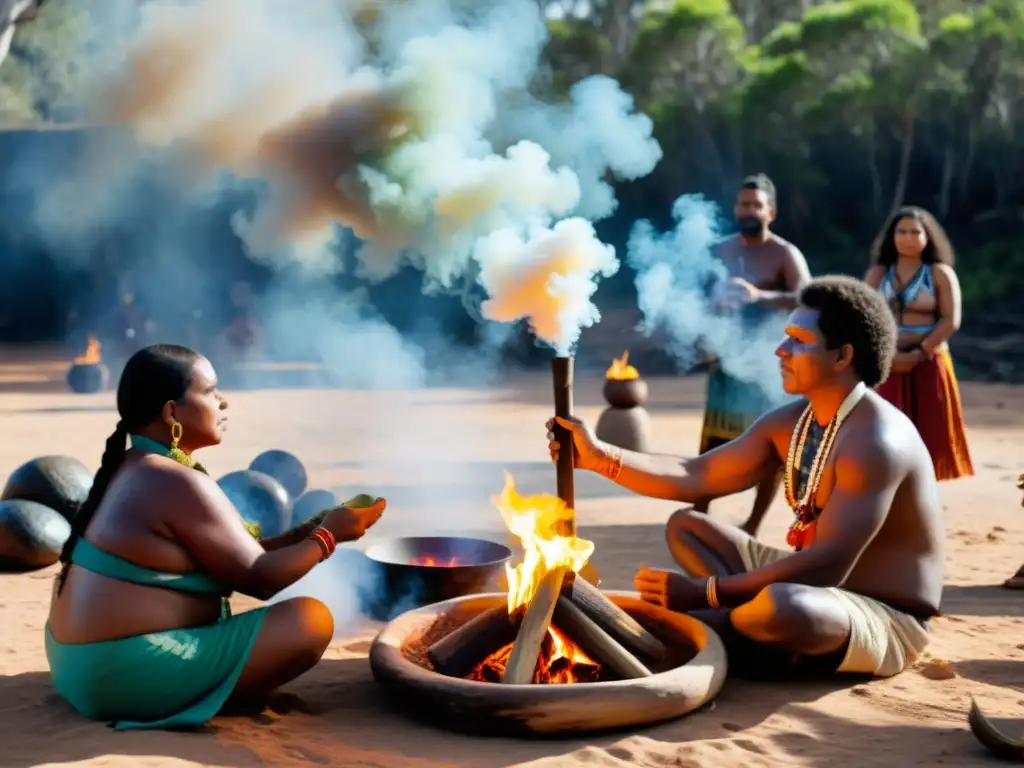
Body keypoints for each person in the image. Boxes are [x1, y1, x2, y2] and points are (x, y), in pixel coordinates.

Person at [547, 276, 943, 679]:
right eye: (785, 336)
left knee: (788, 609)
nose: (781, 349)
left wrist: (705, 592)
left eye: (798, 340)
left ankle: (706, 629)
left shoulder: (877, 439)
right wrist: (600, 458)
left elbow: (828, 566)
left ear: (842, 356)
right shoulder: (794, 422)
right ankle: (741, 629)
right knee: (687, 526)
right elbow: (695, 473)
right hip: (813, 582)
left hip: (882, 615)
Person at [46, 343, 387, 730]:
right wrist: (328, 536)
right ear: (172, 412)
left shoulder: (137, 465)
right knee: (310, 620)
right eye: (210, 392)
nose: (223, 402)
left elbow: (240, 558)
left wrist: (310, 530)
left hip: (75, 664)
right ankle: (218, 695)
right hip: (119, 674)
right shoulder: (172, 479)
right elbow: (261, 578)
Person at [697, 173, 812, 535]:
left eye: (756, 205)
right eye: (744, 204)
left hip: (767, 361)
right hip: (725, 359)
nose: (749, 210)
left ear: (771, 211)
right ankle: (699, 511)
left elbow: (807, 297)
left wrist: (759, 296)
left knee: (771, 446)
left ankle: (753, 523)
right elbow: (696, 297)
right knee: (713, 442)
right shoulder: (720, 250)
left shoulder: (784, 253)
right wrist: (711, 309)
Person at [865, 206, 974, 481]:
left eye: (916, 231)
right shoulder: (878, 274)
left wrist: (919, 353)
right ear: (892, 236)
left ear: (928, 237)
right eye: (902, 231)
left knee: (929, 438)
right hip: (886, 364)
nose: (908, 237)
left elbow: (951, 320)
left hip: (928, 361)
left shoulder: (940, 273)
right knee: (882, 437)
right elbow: (864, 315)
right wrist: (887, 355)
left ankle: (922, 502)